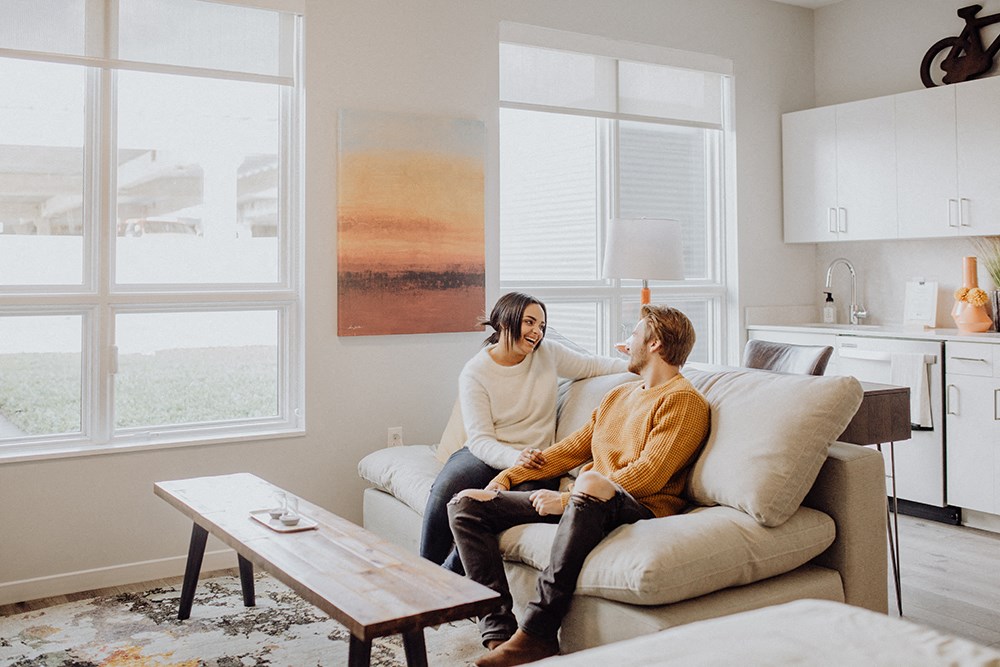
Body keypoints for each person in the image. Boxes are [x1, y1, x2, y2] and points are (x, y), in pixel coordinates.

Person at [447, 304, 711, 667]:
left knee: (591, 480)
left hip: (639, 505)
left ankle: (537, 634)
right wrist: (504, 481)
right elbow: (569, 451)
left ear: (655, 344)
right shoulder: (620, 395)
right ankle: (500, 636)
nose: (626, 343)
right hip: (586, 502)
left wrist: (567, 498)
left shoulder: (683, 401)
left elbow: (648, 474)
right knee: (465, 504)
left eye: (633, 335)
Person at [420, 292, 628, 574]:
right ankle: (422, 573)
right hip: (486, 452)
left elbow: (593, 365)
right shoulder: (475, 372)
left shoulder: (548, 354)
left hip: (538, 459)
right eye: (530, 322)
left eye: (541, 325)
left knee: (498, 509)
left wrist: (638, 362)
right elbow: (480, 439)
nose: (537, 332)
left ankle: (448, 580)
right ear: (505, 321)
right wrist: (514, 457)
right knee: (445, 489)